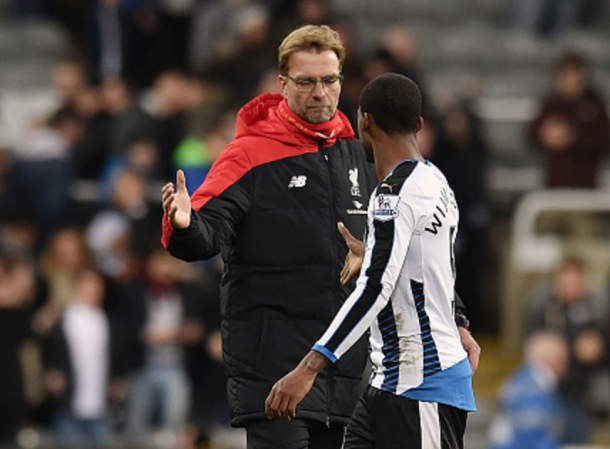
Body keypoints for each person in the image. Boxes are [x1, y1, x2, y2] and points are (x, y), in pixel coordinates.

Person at [162, 25, 479, 449]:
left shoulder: (362, 152)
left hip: (350, 367)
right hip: (274, 367)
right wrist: (184, 224)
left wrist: (454, 317)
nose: (319, 92)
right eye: (306, 82)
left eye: (329, 81)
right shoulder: (248, 154)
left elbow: (405, 251)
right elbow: (206, 236)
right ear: (283, 84)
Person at [265, 73, 476, 449]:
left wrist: (308, 367)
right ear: (420, 124)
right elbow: (435, 265)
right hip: (388, 383)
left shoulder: (392, 196)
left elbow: (375, 288)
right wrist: (459, 321)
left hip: (422, 385)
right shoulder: (437, 182)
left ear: (365, 120)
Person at [528, 51, 610, 188]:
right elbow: (532, 135)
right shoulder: (551, 104)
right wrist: (545, 135)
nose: (572, 79)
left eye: (575, 73)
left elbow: (604, 139)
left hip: (586, 184)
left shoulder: (595, 104)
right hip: (555, 185)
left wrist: (573, 137)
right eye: (567, 73)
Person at [488, 331, 569, 449]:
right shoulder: (535, 388)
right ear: (554, 359)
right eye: (564, 361)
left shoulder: (518, 380)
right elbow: (532, 434)